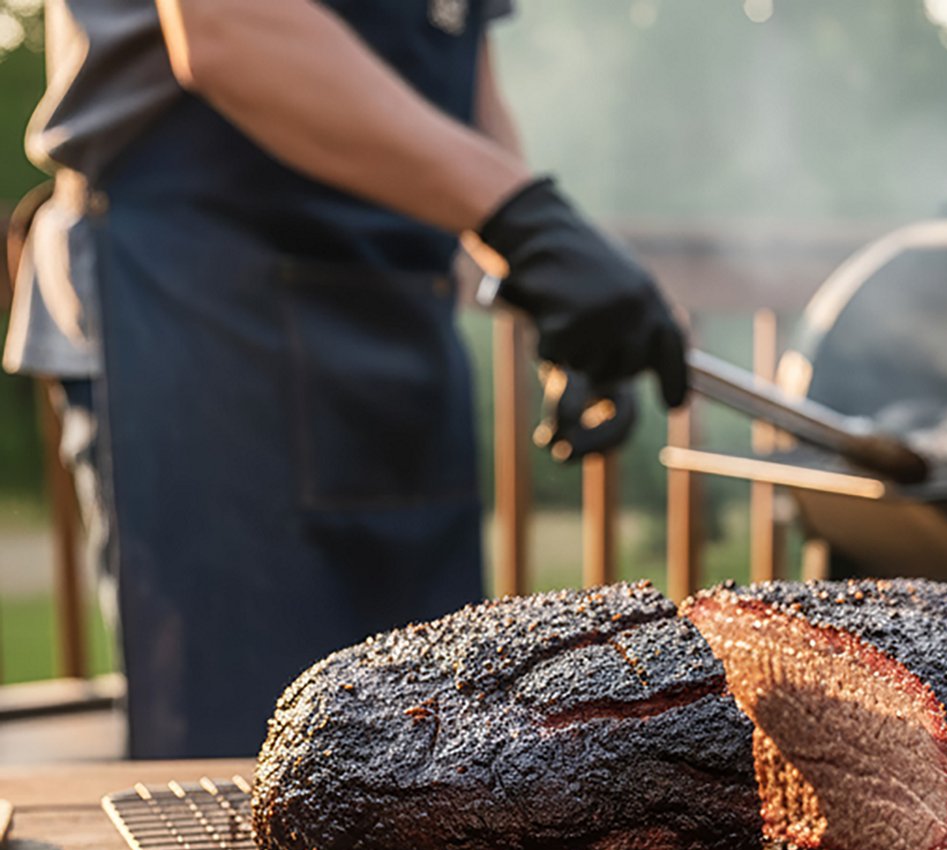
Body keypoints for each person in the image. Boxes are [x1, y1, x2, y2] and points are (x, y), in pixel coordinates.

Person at [3, 0, 686, 758]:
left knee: (442, 752)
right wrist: (525, 219)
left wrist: (545, 275)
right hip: (196, 302)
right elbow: (227, 29)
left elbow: (465, 72)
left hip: (397, 311)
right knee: (243, 761)